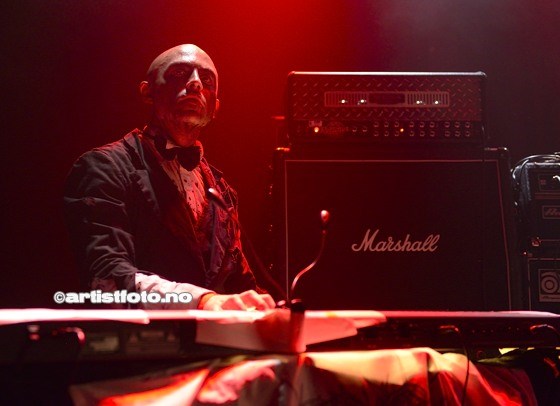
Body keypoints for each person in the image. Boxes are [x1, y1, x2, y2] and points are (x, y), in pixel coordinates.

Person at [64, 44, 275, 311]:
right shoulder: (103, 167)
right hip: (140, 337)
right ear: (148, 92)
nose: (196, 84)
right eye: (179, 74)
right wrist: (201, 301)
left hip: (214, 337)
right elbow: (107, 277)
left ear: (216, 107)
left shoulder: (223, 191)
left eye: (206, 79)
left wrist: (273, 312)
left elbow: (240, 286)